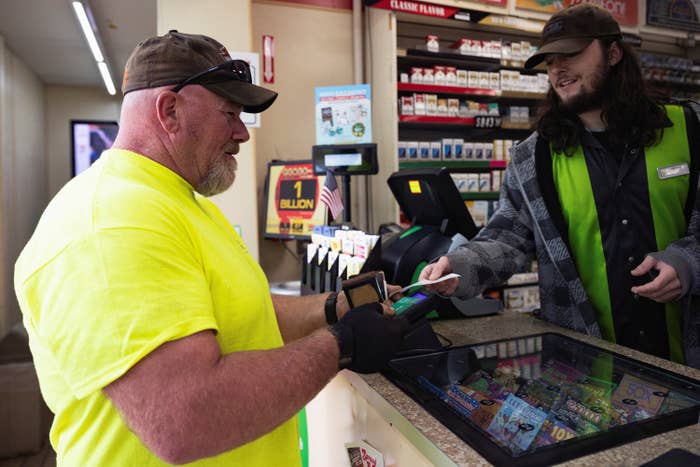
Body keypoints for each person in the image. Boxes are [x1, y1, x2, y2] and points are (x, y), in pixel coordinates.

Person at [14, 31, 409, 466]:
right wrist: (341, 345)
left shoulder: (179, 201)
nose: (242, 133)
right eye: (230, 113)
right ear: (170, 111)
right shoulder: (112, 221)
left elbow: (241, 310)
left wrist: (338, 306)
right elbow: (184, 416)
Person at [420, 4, 700, 369]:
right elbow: (509, 238)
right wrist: (460, 265)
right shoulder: (534, 157)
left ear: (614, 53)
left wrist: (687, 263)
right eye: (549, 60)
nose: (557, 69)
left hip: (689, 365)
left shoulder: (690, 129)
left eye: (571, 53)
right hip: (586, 372)